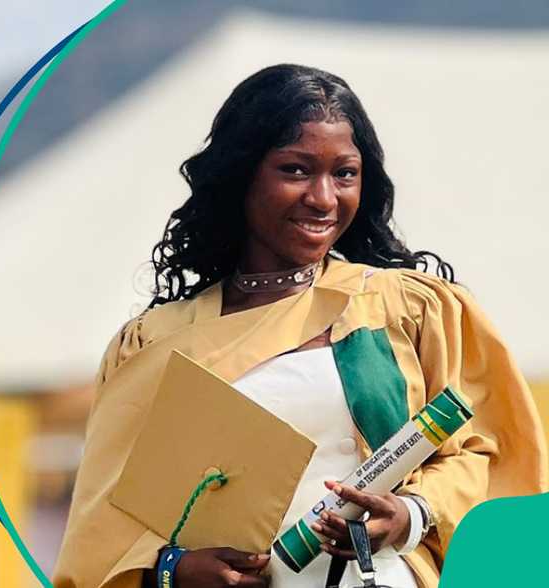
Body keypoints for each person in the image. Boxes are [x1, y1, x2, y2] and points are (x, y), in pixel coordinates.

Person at [52, 64, 547, 588]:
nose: (324, 198)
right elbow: (99, 540)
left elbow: (495, 457)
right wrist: (174, 572)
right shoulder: (153, 344)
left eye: (345, 173)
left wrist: (411, 514)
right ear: (241, 175)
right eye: (295, 170)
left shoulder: (407, 308)